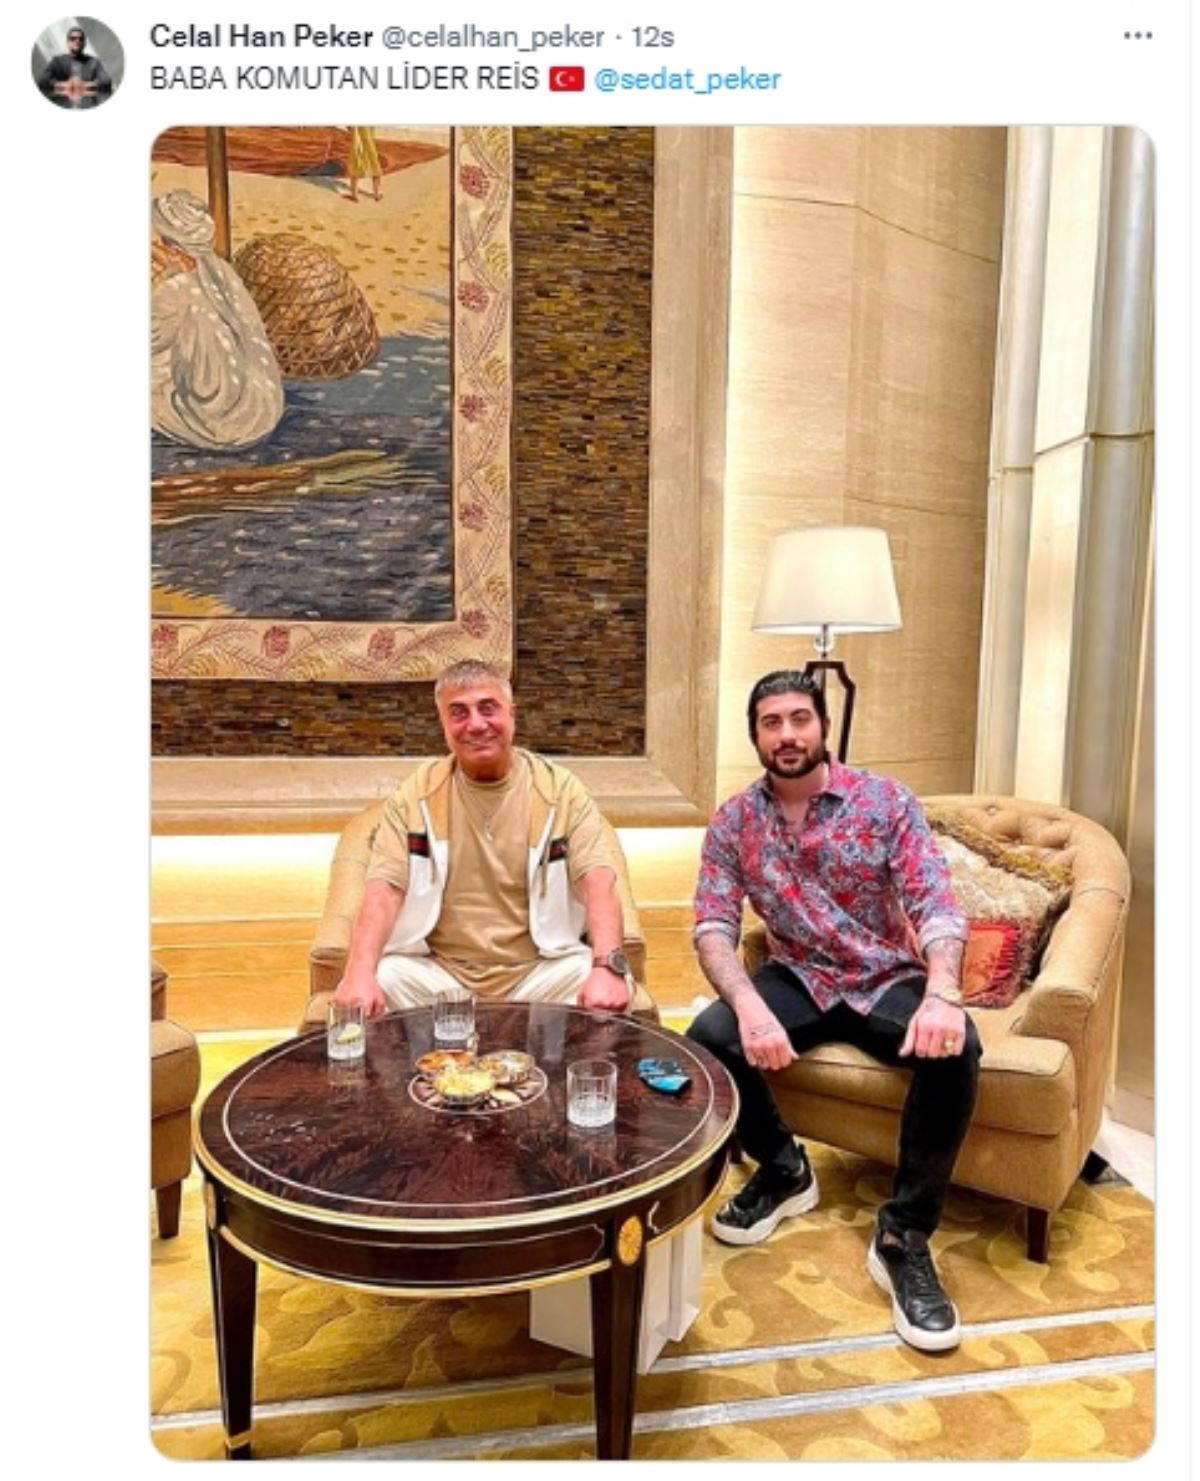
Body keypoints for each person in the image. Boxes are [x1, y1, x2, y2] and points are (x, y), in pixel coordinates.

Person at [687, 670, 980, 1352]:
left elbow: (935, 903)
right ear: (755, 735)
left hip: (884, 975)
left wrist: (942, 992)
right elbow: (712, 925)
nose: (787, 734)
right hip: (798, 976)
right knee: (709, 1035)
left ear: (822, 725)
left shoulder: (885, 801)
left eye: (799, 718)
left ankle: (904, 1235)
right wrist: (749, 1004)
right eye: (771, 722)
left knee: (956, 1047)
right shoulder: (734, 821)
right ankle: (784, 1168)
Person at [335, 660, 641, 1016]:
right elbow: (384, 890)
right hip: (440, 979)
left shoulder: (561, 791)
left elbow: (598, 882)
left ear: (512, 713)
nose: (476, 724)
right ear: (443, 724)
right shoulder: (416, 794)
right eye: (458, 713)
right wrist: (358, 973)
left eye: (488, 708)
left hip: (539, 974)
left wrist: (606, 967)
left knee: (594, 976)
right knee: (385, 976)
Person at [38, 26, 112, 108]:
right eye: (73, 38)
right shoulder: (57, 61)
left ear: (84, 43)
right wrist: (65, 85)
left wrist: (84, 85)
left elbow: (106, 81)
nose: (77, 41)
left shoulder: (94, 62)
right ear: (67, 42)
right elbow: (43, 80)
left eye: (80, 39)